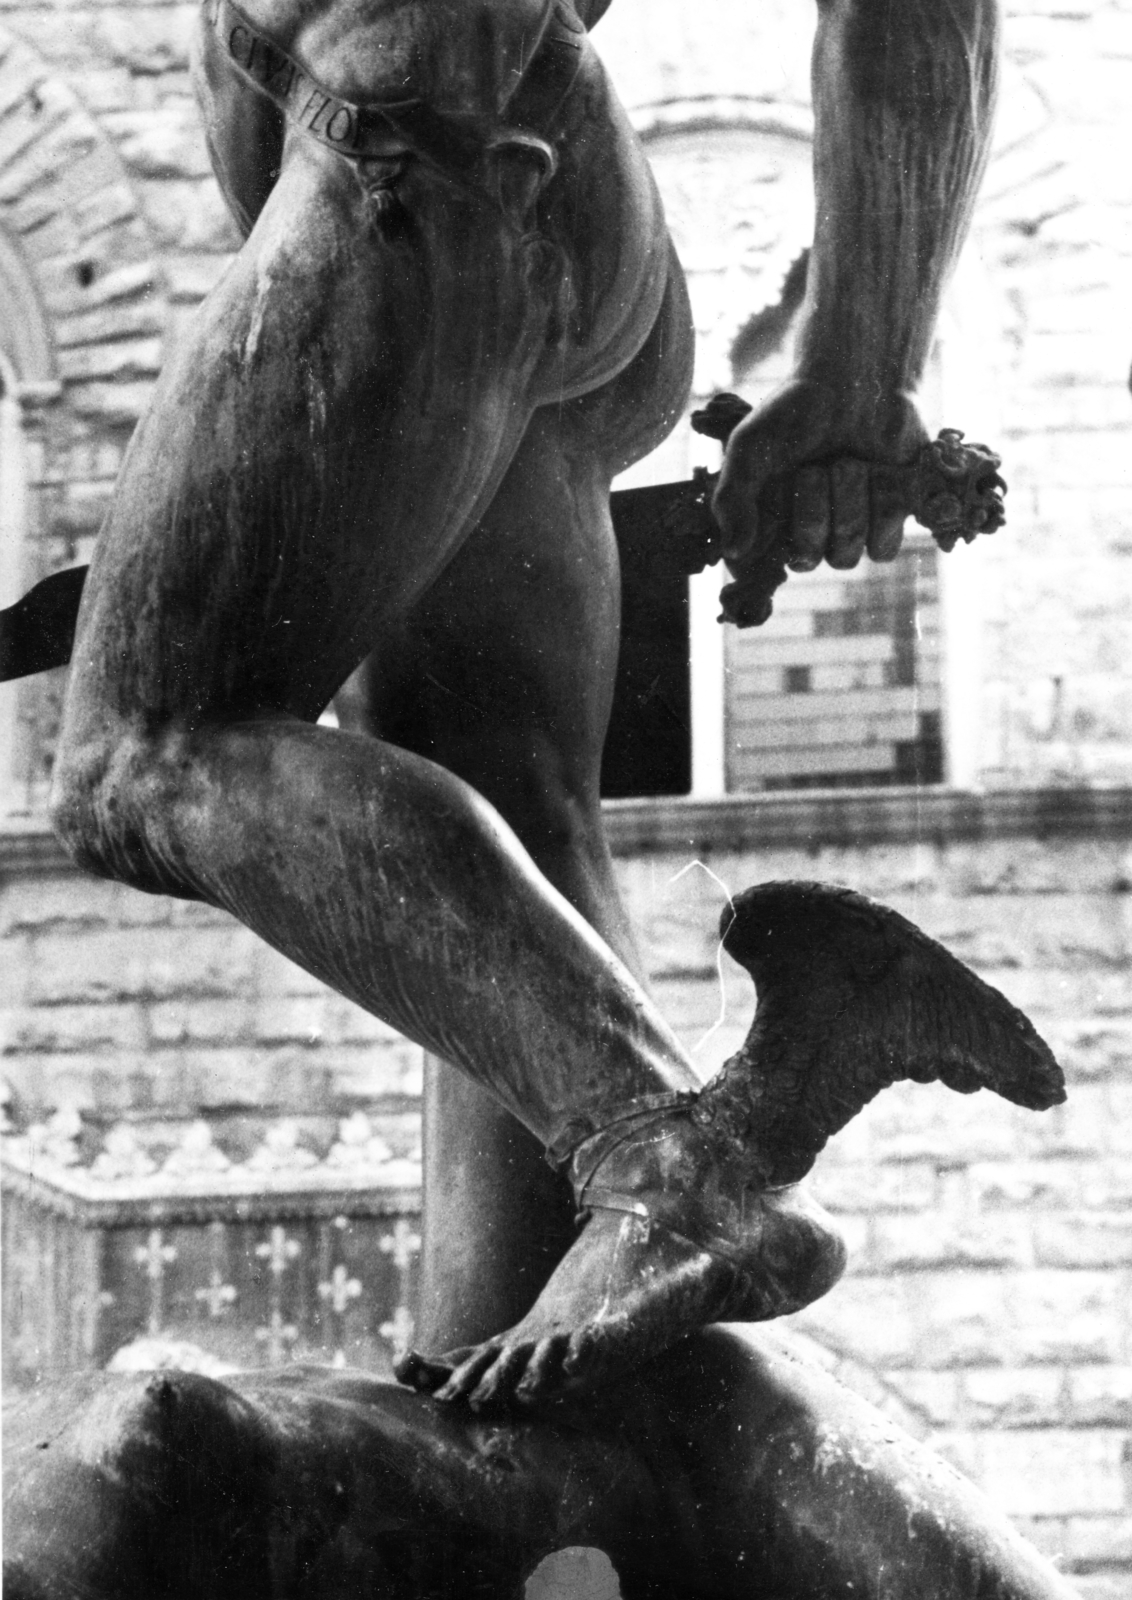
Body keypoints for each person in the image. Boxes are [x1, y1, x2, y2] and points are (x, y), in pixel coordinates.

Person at [50, 0, 1001, 1408]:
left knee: (142, 758)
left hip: (409, 159)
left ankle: (677, 1166)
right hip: (550, 197)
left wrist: (868, 367)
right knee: (506, 815)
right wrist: (863, 362)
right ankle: (534, 1419)